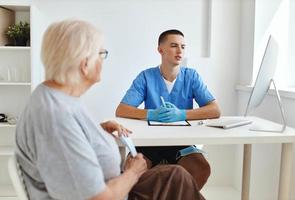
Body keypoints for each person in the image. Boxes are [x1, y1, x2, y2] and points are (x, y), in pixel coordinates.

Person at [15, 20, 203, 200]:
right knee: (177, 177)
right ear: (84, 62)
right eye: (101, 53)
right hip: (116, 193)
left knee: (176, 176)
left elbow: (69, 142)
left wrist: (96, 131)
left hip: (115, 185)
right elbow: (97, 197)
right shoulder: (55, 116)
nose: (103, 60)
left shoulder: (57, 97)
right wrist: (133, 172)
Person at [116, 29, 221, 195]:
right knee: (132, 170)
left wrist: (182, 114)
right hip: (150, 143)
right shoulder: (145, 77)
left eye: (183, 46)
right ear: (160, 50)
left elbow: (214, 110)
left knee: (202, 168)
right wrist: (151, 114)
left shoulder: (191, 77)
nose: (180, 51)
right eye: (174, 46)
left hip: (182, 143)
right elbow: (122, 109)